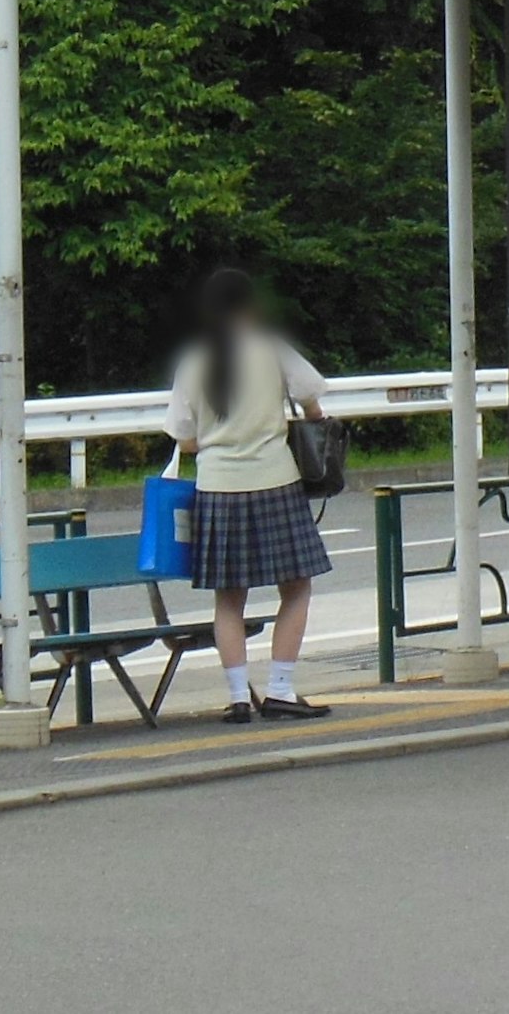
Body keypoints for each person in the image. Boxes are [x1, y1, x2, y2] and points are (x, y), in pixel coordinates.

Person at [162, 266, 335, 723]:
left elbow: (184, 440)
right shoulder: (271, 349)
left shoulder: (193, 360)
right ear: (249, 306)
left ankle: (240, 697)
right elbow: (313, 403)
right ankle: (280, 689)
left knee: (228, 599)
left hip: (217, 488)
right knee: (296, 587)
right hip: (275, 481)